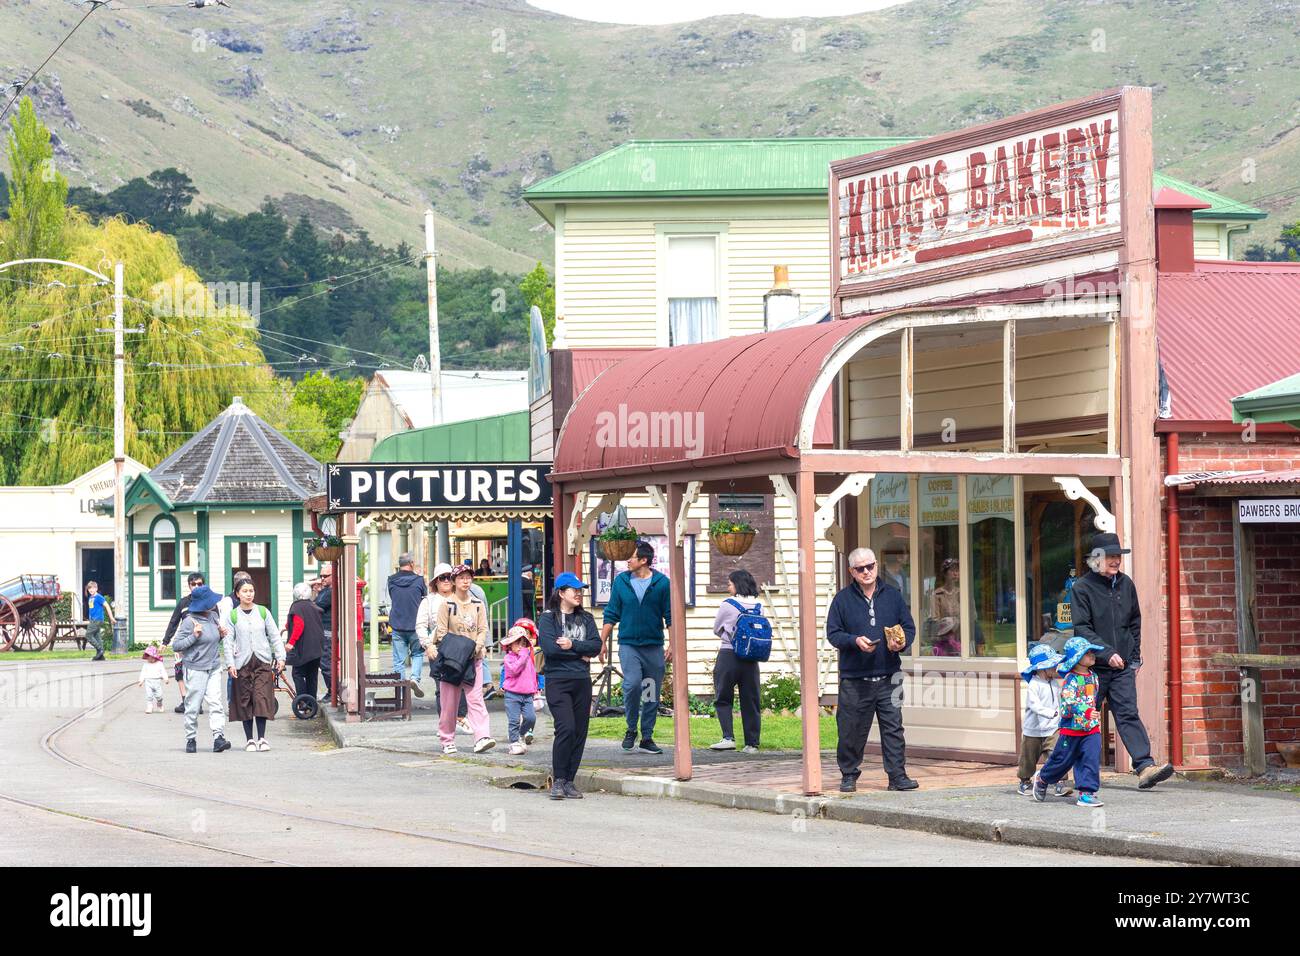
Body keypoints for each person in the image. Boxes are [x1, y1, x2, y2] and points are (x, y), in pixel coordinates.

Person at [1070, 532, 1175, 790]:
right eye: (1111, 556)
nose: (1116, 561)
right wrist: (1106, 652)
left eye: (1118, 556)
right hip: (1091, 668)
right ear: (1096, 559)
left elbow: (1134, 623)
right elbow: (1082, 628)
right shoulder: (1081, 588)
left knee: (1128, 713)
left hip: (1123, 667)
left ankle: (1144, 767)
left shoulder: (1126, 584)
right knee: (1081, 716)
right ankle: (1060, 770)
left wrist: (1134, 657)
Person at [826, 546, 918, 793]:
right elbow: (833, 634)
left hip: (889, 675)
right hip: (855, 678)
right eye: (860, 568)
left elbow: (909, 627)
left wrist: (902, 642)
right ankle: (849, 775)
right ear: (851, 572)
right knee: (851, 730)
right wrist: (854, 641)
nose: (867, 571)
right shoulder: (842, 600)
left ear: (877, 566)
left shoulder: (893, 595)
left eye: (871, 566)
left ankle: (897, 776)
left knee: (893, 729)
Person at [599, 540, 672, 755]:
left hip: (653, 647)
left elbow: (669, 616)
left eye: (632, 556)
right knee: (632, 685)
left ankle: (647, 736)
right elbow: (611, 613)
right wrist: (602, 642)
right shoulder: (621, 581)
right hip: (629, 645)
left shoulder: (662, 583)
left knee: (650, 691)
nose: (627, 560)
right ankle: (631, 727)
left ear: (644, 560)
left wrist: (672, 644)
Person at [538, 573, 602, 800]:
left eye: (580, 589)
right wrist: (580, 653)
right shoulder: (548, 619)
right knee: (566, 728)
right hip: (558, 680)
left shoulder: (586, 618)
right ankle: (558, 779)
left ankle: (569, 781)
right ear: (561, 592)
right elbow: (551, 649)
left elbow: (596, 646)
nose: (578, 593)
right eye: (574, 589)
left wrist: (572, 644)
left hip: (581, 681)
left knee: (579, 732)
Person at [1034, 636, 1106, 807]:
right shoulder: (1070, 680)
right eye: (1087, 653)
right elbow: (1068, 704)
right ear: (1077, 658)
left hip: (1091, 728)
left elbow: (1093, 700)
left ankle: (1087, 793)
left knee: (1090, 758)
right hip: (1071, 729)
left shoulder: (1094, 677)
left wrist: (1092, 714)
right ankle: (1043, 778)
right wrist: (1086, 711)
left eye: (1092, 652)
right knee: (1062, 760)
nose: (1092, 656)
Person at [433, 564, 496, 756]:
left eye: (468, 577)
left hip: (473, 659)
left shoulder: (478, 604)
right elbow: (442, 631)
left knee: (476, 699)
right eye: (461, 578)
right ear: (454, 581)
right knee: (449, 702)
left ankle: (482, 737)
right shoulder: (447, 604)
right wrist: (462, 647)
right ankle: (447, 739)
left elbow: (483, 628)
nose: (465, 581)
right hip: (452, 660)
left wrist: (477, 646)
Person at [224, 578, 286, 753]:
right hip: (242, 662)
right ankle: (249, 740)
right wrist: (230, 664)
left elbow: (274, 635)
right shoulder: (233, 615)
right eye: (244, 591)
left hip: (262, 661)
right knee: (245, 700)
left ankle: (262, 738)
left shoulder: (263, 612)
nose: (248, 594)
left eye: (251, 591)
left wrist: (281, 657)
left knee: (261, 698)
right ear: (237, 594)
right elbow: (228, 642)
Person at [171, 584, 232, 754]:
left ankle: (218, 738)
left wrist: (220, 635)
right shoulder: (190, 621)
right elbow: (176, 646)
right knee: (193, 705)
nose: (215, 602)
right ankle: (191, 738)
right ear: (204, 603)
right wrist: (194, 636)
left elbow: (211, 641)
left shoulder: (213, 617)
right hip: (195, 668)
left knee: (215, 702)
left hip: (213, 666)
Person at [709, 569, 762, 753]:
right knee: (751, 700)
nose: (727, 586)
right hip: (751, 657)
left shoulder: (727, 605)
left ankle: (728, 738)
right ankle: (752, 743)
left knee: (723, 697)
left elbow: (717, 629)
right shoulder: (758, 605)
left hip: (729, 655)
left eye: (730, 583)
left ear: (737, 584)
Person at [1018, 643, 1072, 798]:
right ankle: (1024, 781)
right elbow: (1034, 705)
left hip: (1052, 728)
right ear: (1042, 668)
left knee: (1057, 754)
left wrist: (1062, 715)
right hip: (1032, 730)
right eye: (1052, 665)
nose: (1055, 667)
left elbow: (1059, 702)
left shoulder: (1055, 684)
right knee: (1028, 758)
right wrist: (1050, 713)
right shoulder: (1034, 685)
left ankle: (1059, 783)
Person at [419, 563, 469, 730]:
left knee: (462, 683)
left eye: (449, 577)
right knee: (441, 687)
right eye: (442, 578)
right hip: (439, 647)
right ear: (436, 581)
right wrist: (428, 645)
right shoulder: (428, 601)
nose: (446, 581)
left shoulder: (462, 597)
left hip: (460, 646)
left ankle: (461, 717)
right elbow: (420, 626)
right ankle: (445, 724)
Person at [163, 572, 206, 713]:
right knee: (179, 672)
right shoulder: (183, 603)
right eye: (193, 584)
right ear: (189, 586)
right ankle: (185, 701)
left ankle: (197, 703)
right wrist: (165, 641)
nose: (196, 586)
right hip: (183, 643)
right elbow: (174, 621)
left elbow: (215, 621)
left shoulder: (208, 602)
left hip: (200, 644)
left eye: (199, 584)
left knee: (196, 673)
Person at [387, 552, 428, 696]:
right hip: (416, 625)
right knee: (417, 653)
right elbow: (425, 598)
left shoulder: (391, 580)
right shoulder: (419, 580)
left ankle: (400, 690)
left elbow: (393, 597)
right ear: (411, 564)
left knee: (398, 660)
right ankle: (415, 678)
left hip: (397, 624)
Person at [285, 583, 327, 703]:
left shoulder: (297, 607)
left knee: (297, 673)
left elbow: (299, 625)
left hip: (304, 648)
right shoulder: (313, 606)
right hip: (317, 647)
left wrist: (291, 643)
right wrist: (287, 627)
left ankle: (302, 701)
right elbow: (301, 622)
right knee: (312, 676)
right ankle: (311, 703)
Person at [501, 623, 539, 755]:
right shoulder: (508, 658)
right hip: (512, 694)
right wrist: (523, 656)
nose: (520, 647)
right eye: (517, 643)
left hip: (527, 694)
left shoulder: (528, 658)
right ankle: (514, 743)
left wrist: (535, 689)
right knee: (514, 720)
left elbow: (532, 674)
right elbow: (514, 670)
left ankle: (520, 735)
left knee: (530, 718)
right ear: (510, 645)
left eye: (523, 643)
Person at [926, 558, 962, 657]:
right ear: (945, 573)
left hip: (961, 639)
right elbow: (935, 619)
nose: (956, 573)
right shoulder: (937, 594)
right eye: (952, 570)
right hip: (943, 641)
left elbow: (971, 616)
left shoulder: (962, 593)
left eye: (957, 570)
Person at [312, 565, 334, 696]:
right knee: (323, 663)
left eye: (325, 576)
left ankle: (333, 691)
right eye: (321, 576)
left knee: (325, 663)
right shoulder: (325, 591)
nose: (322, 578)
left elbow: (314, 606)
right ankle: (332, 691)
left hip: (328, 632)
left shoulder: (331, 592)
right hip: (322, 631)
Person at [83, 580, 115, 661]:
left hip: (97, 619)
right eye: (89, 588)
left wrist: (111, 618)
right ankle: (101, 656)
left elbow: (107, 606)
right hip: (93, 620)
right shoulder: (91, 597)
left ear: (96, 589)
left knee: (88, 635)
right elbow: (91, 609)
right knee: (97, 636)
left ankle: (100, 649)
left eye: (93, 588)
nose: (91, 590)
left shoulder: (99, 597)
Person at [138, 645, 170, 713]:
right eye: (147, 656)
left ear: (154, 656)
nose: (148, 658)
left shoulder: (159, 664)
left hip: (157, 682)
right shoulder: (146, 665)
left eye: (150, 656)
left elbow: (163, 671)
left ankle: (159, 704)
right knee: (149, 695)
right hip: (148, 682)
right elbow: (143, 673)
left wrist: (166, 678)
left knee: (159, 696)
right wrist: (141, 681)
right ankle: (149, 707)